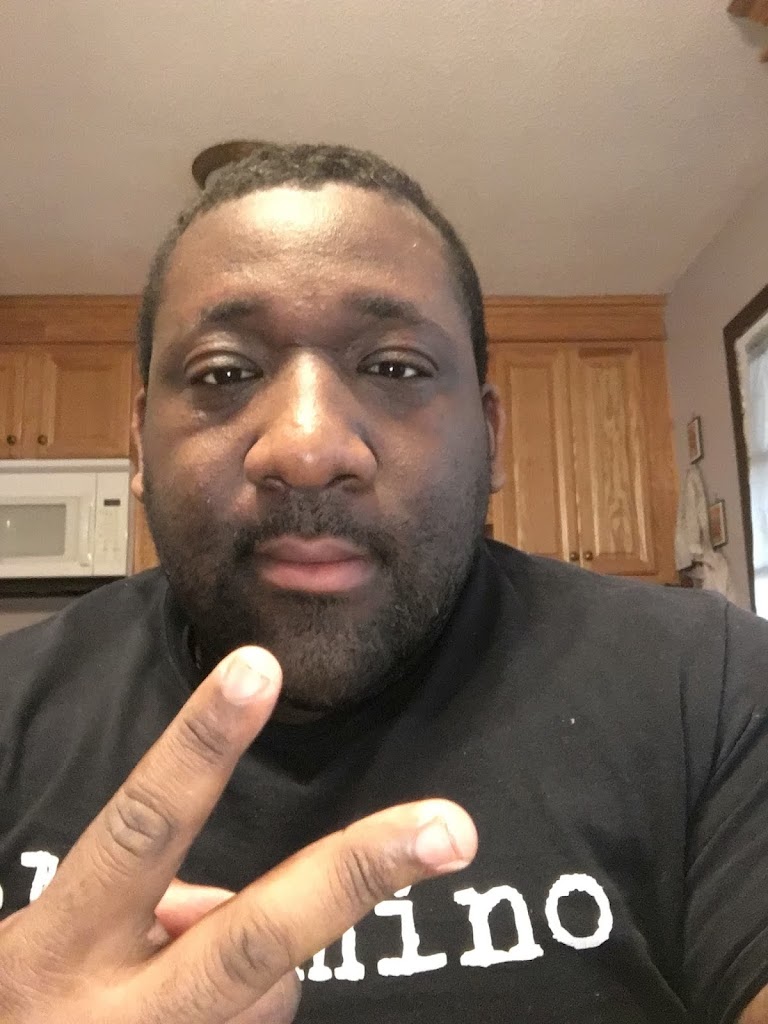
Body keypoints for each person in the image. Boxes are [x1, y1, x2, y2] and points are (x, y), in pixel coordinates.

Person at [0, 142, 767, 1024]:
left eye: (396, 367)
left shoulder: (709, 686)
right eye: (225, 373)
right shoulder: (12, 709)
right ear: (140, 443)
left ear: (491, 438)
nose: (307, 447)